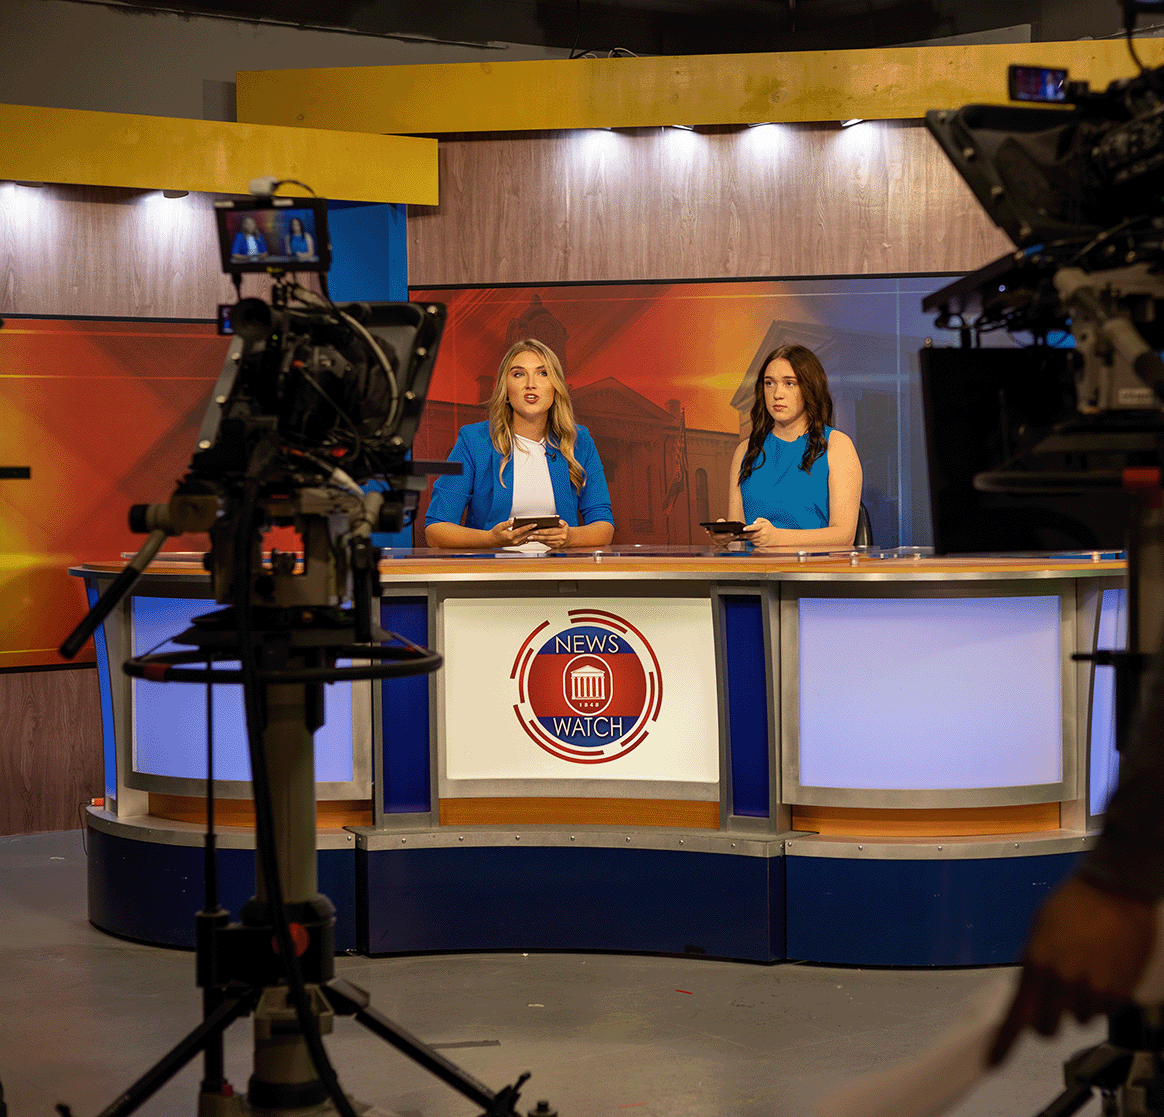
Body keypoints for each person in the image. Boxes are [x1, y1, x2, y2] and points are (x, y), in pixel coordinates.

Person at [424, 339, 614, 549]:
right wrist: (490, 540)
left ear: (556, 387)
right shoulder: (474, 441)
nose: (530, 383)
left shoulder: (579, 441)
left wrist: (569, 538)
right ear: (505, 388)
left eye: (543, 373)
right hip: (494, 574)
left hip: (560, 573)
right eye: (518, 374)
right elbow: (436, 530)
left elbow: (604, 528)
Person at [719, 344, 862, 548]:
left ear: (809, 388)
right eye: (769, 383)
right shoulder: (745, 450)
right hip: (754, 573)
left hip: (812, 573)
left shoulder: (838, 446)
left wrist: (777, 539)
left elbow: (844, 536)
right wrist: (726, 538)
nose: (777, 394)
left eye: (789, 383)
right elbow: (738, 541)